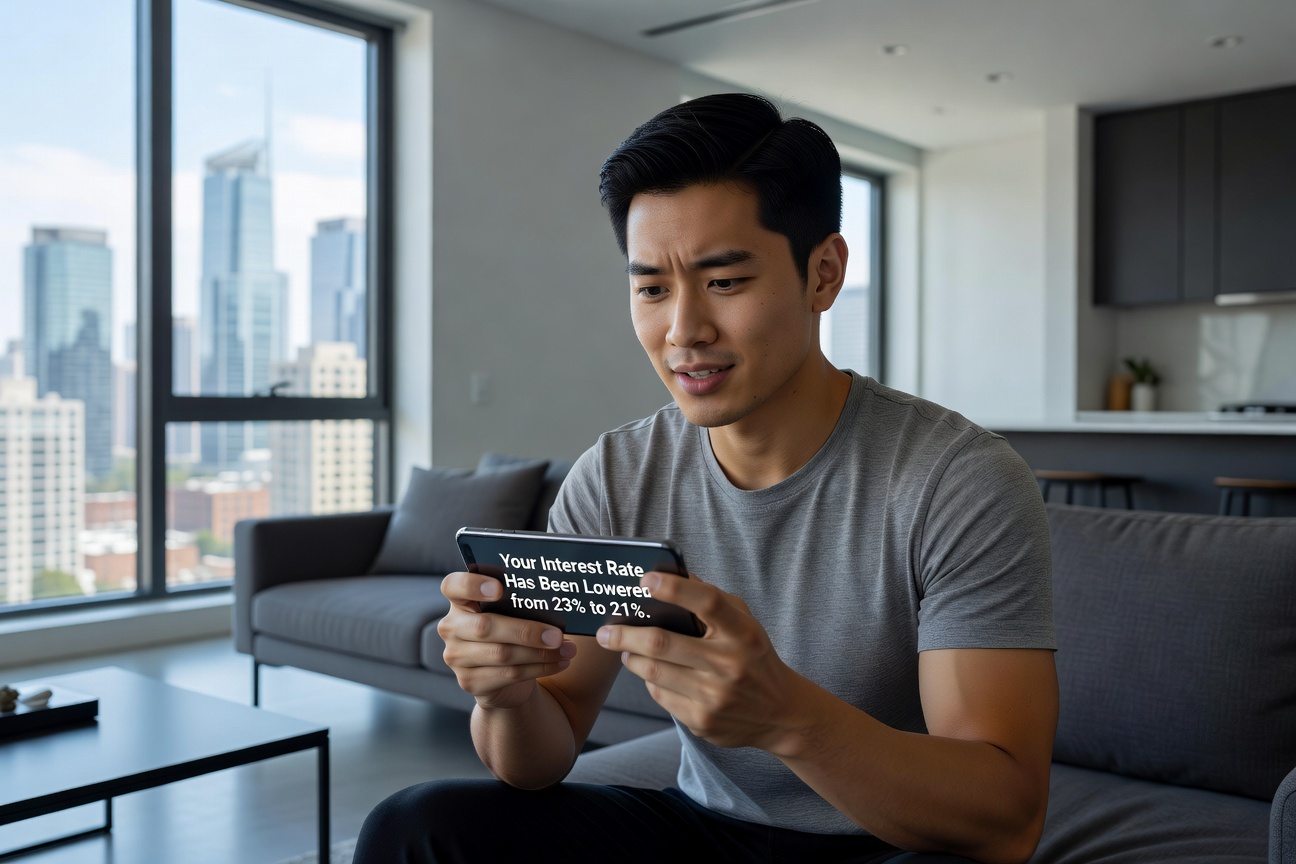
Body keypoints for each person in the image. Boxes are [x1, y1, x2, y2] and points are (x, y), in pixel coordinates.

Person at [354, 92, 1057, 864]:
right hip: (702, 829)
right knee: (416, 825)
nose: (683, 331)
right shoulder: (619, 475)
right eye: (652, 288)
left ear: (823, 275)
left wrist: (789, 718)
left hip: (891, 840)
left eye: (724, 282)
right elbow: (539, 756)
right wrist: (504, 694)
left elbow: (1005, 818)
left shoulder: (960, 482)